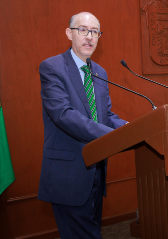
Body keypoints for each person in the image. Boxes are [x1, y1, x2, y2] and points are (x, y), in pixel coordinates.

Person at [38, 12, 127, 239]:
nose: (89, 37)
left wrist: (129, 129)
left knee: (92, 231)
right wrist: (113, 136)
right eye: (83, 30)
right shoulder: (52, 68)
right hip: (68, 174)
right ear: (69, 33)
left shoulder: (99, 72)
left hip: (96, 170)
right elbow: (64, 115)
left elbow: (104, 116)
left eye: (95, 32)